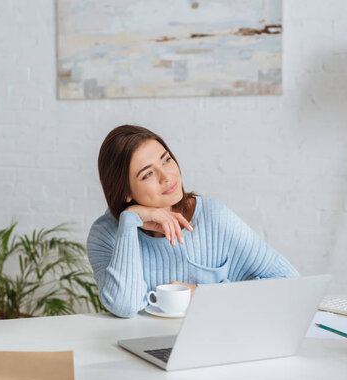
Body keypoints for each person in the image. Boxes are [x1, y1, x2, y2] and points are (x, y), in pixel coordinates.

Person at [87, 125, 299, 318]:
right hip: (140, 347)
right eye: (148, 174)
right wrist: (130, 221)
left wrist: (200, 294)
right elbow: (125, 306)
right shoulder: (105, 234)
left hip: (216, 341)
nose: (167, 177)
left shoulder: (213, 218)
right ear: (125, 191)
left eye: (166, 160)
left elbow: (289, 282)